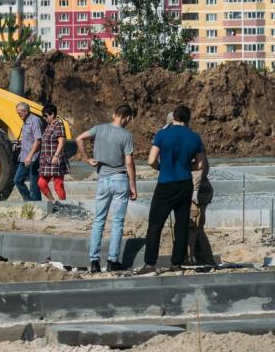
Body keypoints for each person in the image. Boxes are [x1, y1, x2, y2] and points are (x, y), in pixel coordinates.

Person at [141, 104, 207, 274]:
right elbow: (200, 164)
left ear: (174, 118)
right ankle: (177, 263)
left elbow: (151, 160)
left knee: (155, 224)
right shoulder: (194, 137)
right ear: (188, 119)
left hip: (165, 182)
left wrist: (161, 168)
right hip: (185, 183)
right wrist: (186, 167)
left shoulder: (162, 135)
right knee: (182, 224)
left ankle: (150, 264)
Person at [76, 105, 138, 273]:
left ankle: (94, 262)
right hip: (119, 179)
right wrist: (133, 185)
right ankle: (112, 261)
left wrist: (86, 158)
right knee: (117, 222)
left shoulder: (99, 129)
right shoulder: (126, 135)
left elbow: (79, 138)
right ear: (128, 118)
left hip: (103, 179)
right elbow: (129, 163)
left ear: (113, 114)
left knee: (99, 221)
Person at [36, 103, 67, 202]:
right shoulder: (49, 126)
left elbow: (61, 142)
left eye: (45, 115)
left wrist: (56, 156)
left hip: (55, 159)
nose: (45, 118)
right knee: (41, 183)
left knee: (58, 184)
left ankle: (63, 205)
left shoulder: (58, 124)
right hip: (46, 161)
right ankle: (53, 202)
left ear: (52, 114)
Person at [14, 102, 43, 202]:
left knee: (34, 184)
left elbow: (38, 140)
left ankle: (36, 205)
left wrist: (30, 156)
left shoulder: (35, 121)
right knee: (17, 180)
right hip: (24, 157)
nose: (18, 115)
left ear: (25, 111)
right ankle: (29, 202)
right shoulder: (25, 122)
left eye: (19, 113)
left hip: (33, 158)